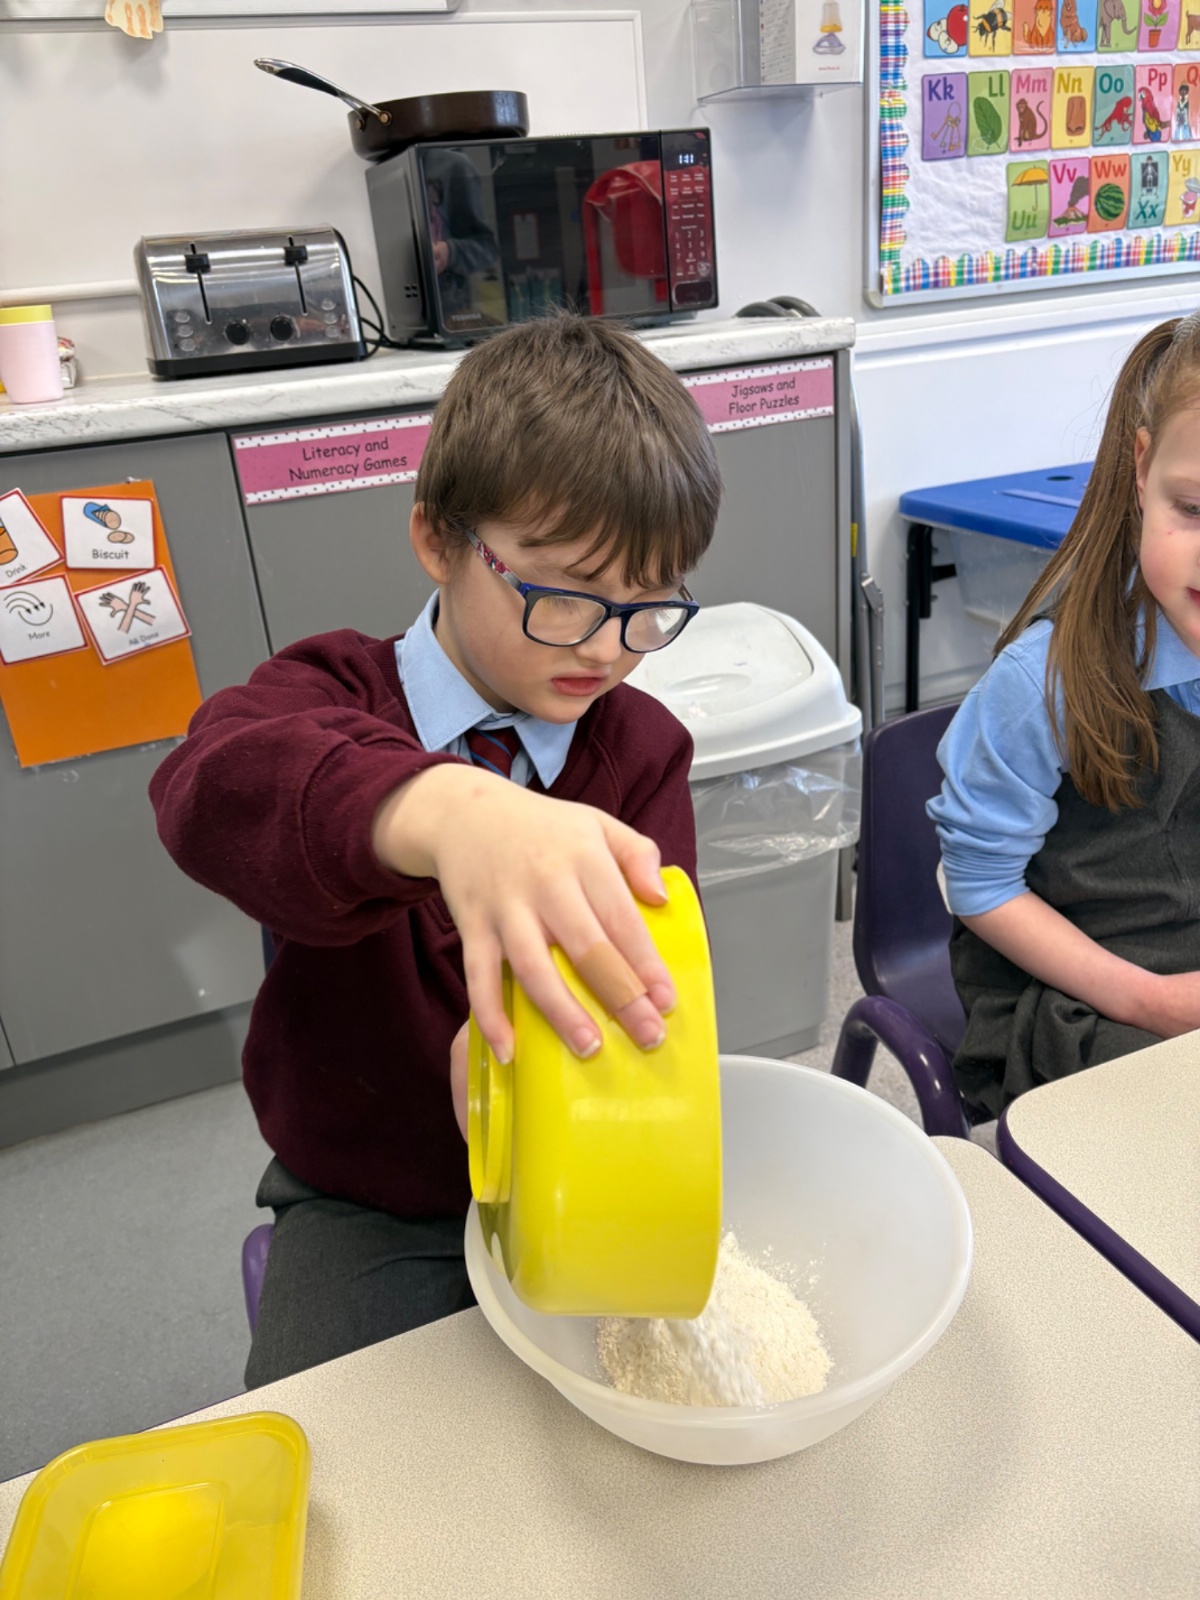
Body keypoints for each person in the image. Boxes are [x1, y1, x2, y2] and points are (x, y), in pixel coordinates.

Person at [150, 315, 721, 1385]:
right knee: (352, 1444)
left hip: (580, 1156)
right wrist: (447, 810)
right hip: (375, 1190)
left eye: (648, 608)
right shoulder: (329, 693)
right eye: (565, 596)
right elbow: (205, 788)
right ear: (440, 540)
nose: (607, 647)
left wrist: (544, 1055)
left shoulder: (642, 749)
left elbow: (648, 970)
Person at [928, 314, 1200, 1119]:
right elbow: (979, 886)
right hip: (1076, 991)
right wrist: (1150, 1001)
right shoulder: (1043, 683)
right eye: (1195, 509)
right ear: (1142, 469)